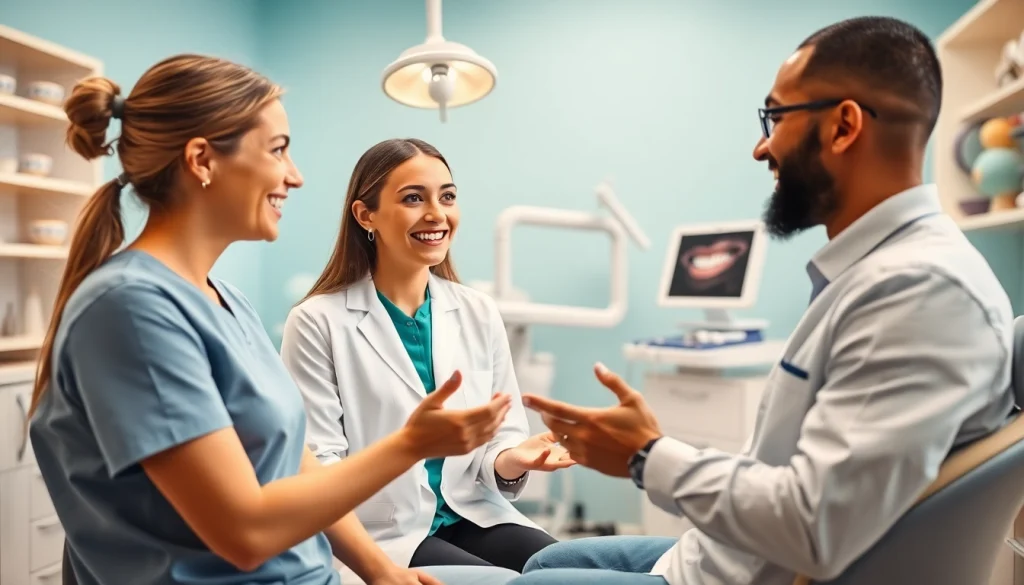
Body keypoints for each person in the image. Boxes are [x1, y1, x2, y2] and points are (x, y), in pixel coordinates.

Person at [505, 16, 1017, 585]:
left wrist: (645, 456)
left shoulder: (920, 292)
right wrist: (653, 447)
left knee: (535, 581)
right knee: (544, 561)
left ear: (843, 126)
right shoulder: (878, 275)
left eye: (774, 117)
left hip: (749, 572)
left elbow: (814, 525)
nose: (760, 147)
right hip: (723, 553)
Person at [27, 55, 522, 585]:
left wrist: (381, 572)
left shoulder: (228, 302)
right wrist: (411, 444)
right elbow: (245, 533)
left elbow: (298, 462)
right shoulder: (131, 309)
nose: (296, 176)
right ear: (202, 161)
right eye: (278, 150)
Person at [279, 138, 573, 576]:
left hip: (473, 512)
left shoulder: (477, 311)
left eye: (447, 196)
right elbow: (318, 468)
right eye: (413, 198)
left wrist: (514, 460)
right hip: (382, 534)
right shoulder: (316, 321)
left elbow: (499, 443)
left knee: (572, 571)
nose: (437, 213)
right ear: (366, 216)